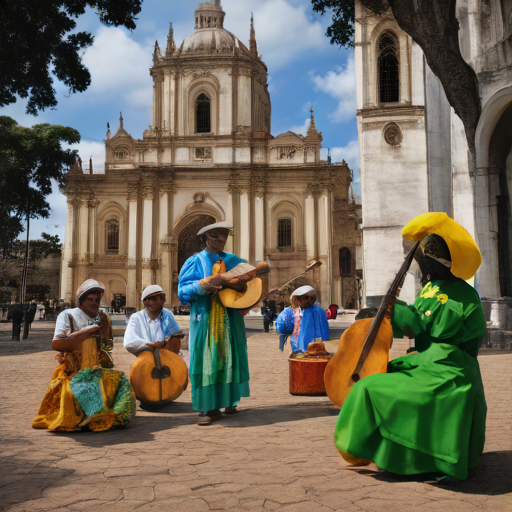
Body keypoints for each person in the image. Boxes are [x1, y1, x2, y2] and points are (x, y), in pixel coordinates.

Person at [334, 212, 486, 481]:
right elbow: (415, 318)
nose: (419, 269)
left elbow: (423, 324)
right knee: (374, 379)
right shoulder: (434, 287)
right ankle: (383, 449)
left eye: (423, 263)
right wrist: (379, 315)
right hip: (428, 361)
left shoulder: (461, 294)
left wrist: (393, 314)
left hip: (449, 370)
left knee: (370, 388)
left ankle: (417, 455)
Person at [32, 279, 136, 432]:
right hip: (72, 372)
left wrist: (102, 362)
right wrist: (83, 335)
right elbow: (56, 344)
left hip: (97, 370)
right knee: (75, 393)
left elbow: (108, 347)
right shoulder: (68, 315)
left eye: (97, 300)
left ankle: (105, 415)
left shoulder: (103, 318)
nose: (95, 303)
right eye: (91, 299)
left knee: (123, 387)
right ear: (80, 301)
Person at [178, 221, 251, 426]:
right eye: (215, 236)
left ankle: (228, 401)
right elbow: (182, 291)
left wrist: (243, 285)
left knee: (230, 357)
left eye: (223, 236)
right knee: (205, 358)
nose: (220, 240)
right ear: (204, 239)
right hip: (205, 318)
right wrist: (206, 284)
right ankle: (206, 406)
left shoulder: (233, 260)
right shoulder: (195, 261)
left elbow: (252, 277)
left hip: (230, 317)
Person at [124, 285, 183, 356]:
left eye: (154, 299)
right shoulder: (136, 317)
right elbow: (129, 342)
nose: (151, 302)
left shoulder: (167, 315)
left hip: (167, 356)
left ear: (163, 300)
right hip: (145, 357)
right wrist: (152, 345)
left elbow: (175, 338)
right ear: (144, 302)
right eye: (147, 299)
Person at [290, 286, 329, 353]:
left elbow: (322, 329)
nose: (304, 301)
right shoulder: (302, 312)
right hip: (302, 348)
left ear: (312, 299)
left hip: (316, 346)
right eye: (303, 299)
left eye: (306, 299)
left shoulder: (318, 311)